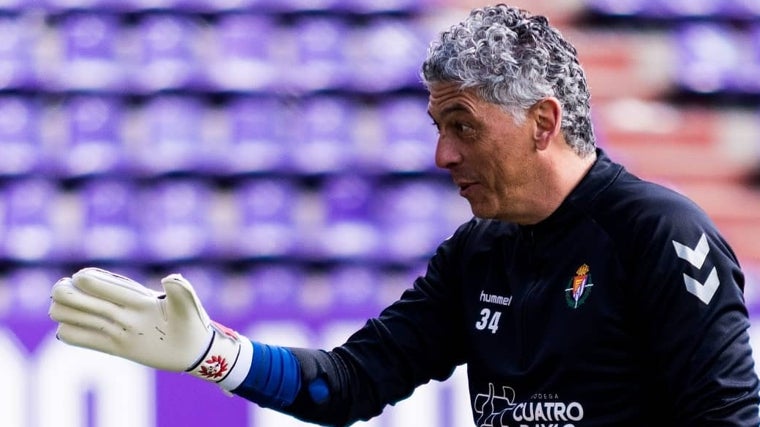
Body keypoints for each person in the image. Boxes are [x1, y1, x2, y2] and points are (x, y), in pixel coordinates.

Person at [49, 4, 760, 426]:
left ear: (543, 122)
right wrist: (215, 355)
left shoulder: (660, 233)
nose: (442, 154)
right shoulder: (477, 253)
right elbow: (350, 382)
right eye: (436, 126)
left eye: (463, 125)